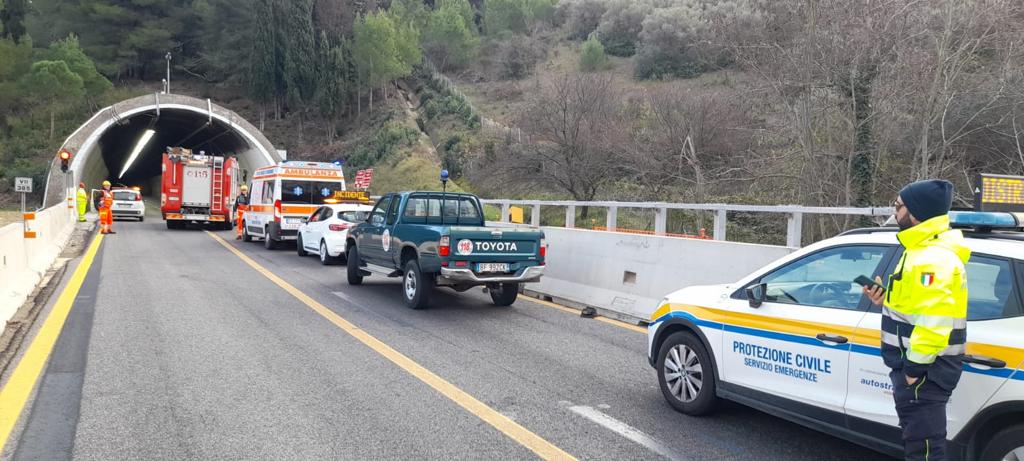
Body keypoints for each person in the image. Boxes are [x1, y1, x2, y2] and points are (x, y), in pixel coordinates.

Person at [863, 179, 970, 461]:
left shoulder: (932, 259)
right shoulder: (921, 251)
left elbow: (935, 323)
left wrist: (912, 371)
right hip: (919, 369)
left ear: (915, 213)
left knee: (924, 450)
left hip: (924, 370)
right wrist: (884, 298)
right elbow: (918, 308)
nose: (894, 211)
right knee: (918, 442)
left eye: (898, 206)